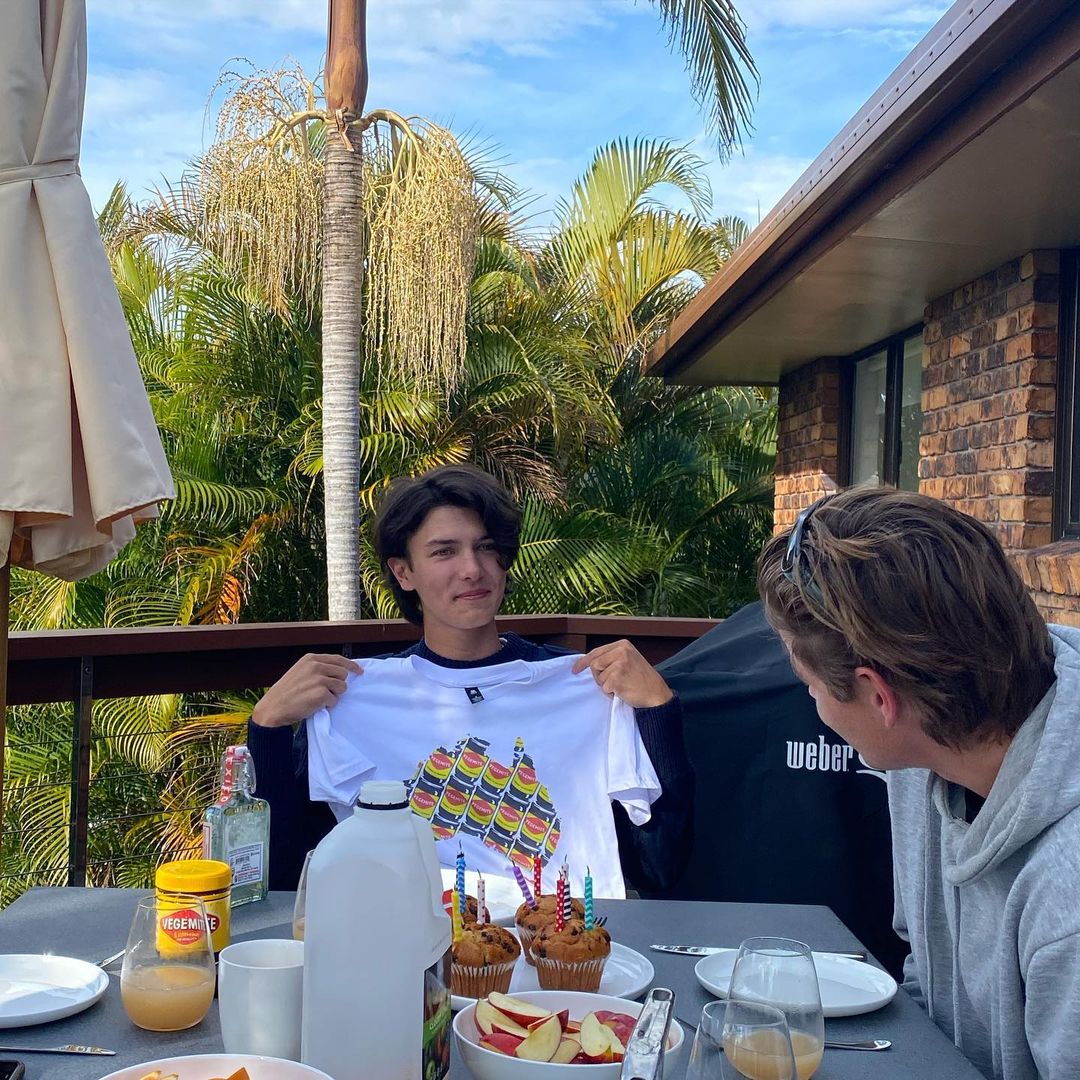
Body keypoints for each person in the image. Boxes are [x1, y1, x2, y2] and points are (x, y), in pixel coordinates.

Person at [248, 464, 694, 896]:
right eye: (444, 551)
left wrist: (658, 709)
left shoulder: (584, 686)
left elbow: (659, 867)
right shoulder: (352, 699)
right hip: (407, 936)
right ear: (403, 572)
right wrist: (267, 727)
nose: (472, 569)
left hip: (554, 935)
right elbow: (284, 872)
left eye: (485, 547)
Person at [757, 486, 1080, 1080]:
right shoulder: (924, 757)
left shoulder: (1068, 897)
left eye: (811, 686)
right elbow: (926, 989)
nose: (814, 706)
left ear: (879, 696)